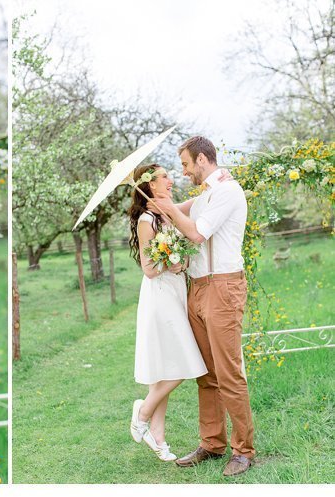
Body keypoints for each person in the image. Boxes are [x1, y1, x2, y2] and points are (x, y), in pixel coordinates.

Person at [149, 136, 254, 477]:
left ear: (203, 160)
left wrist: (169, 209)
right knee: (206, 375)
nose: (182, 172)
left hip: (223, 287)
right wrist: (154, 200)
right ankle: (212, 443)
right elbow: (175, 211)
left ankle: (243, 450)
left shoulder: (227, 191)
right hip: (197, 288)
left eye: (185, 164)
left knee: (229, 373)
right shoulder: (205, 194)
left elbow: (196, 234)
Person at [127, 163, 208, 462]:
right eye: (164, 177)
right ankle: (144, 410)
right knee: (187, 362)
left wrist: (182, 263)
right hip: (159, 296)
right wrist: (169, 260)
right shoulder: (147, 220)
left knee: (163, 366)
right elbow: (149, 270)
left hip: (176, 292)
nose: (171, 180)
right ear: (150, 185)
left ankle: (158, 436)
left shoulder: (168, 213)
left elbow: (193, 209)